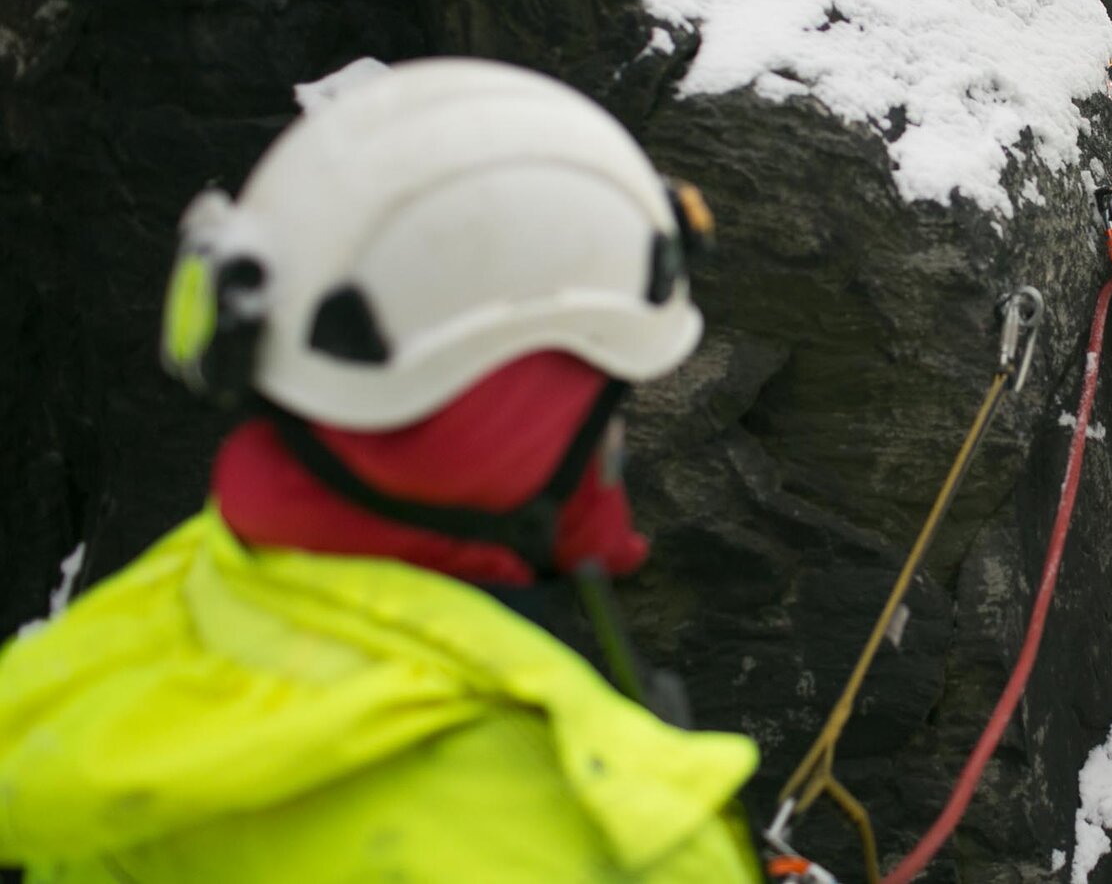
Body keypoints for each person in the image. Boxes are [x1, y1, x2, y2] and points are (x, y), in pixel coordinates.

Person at [0, 58, 763, 883]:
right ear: (505, 418)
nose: (615, 445)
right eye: (604, 400)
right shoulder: (599, 842)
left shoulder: (121, 648)